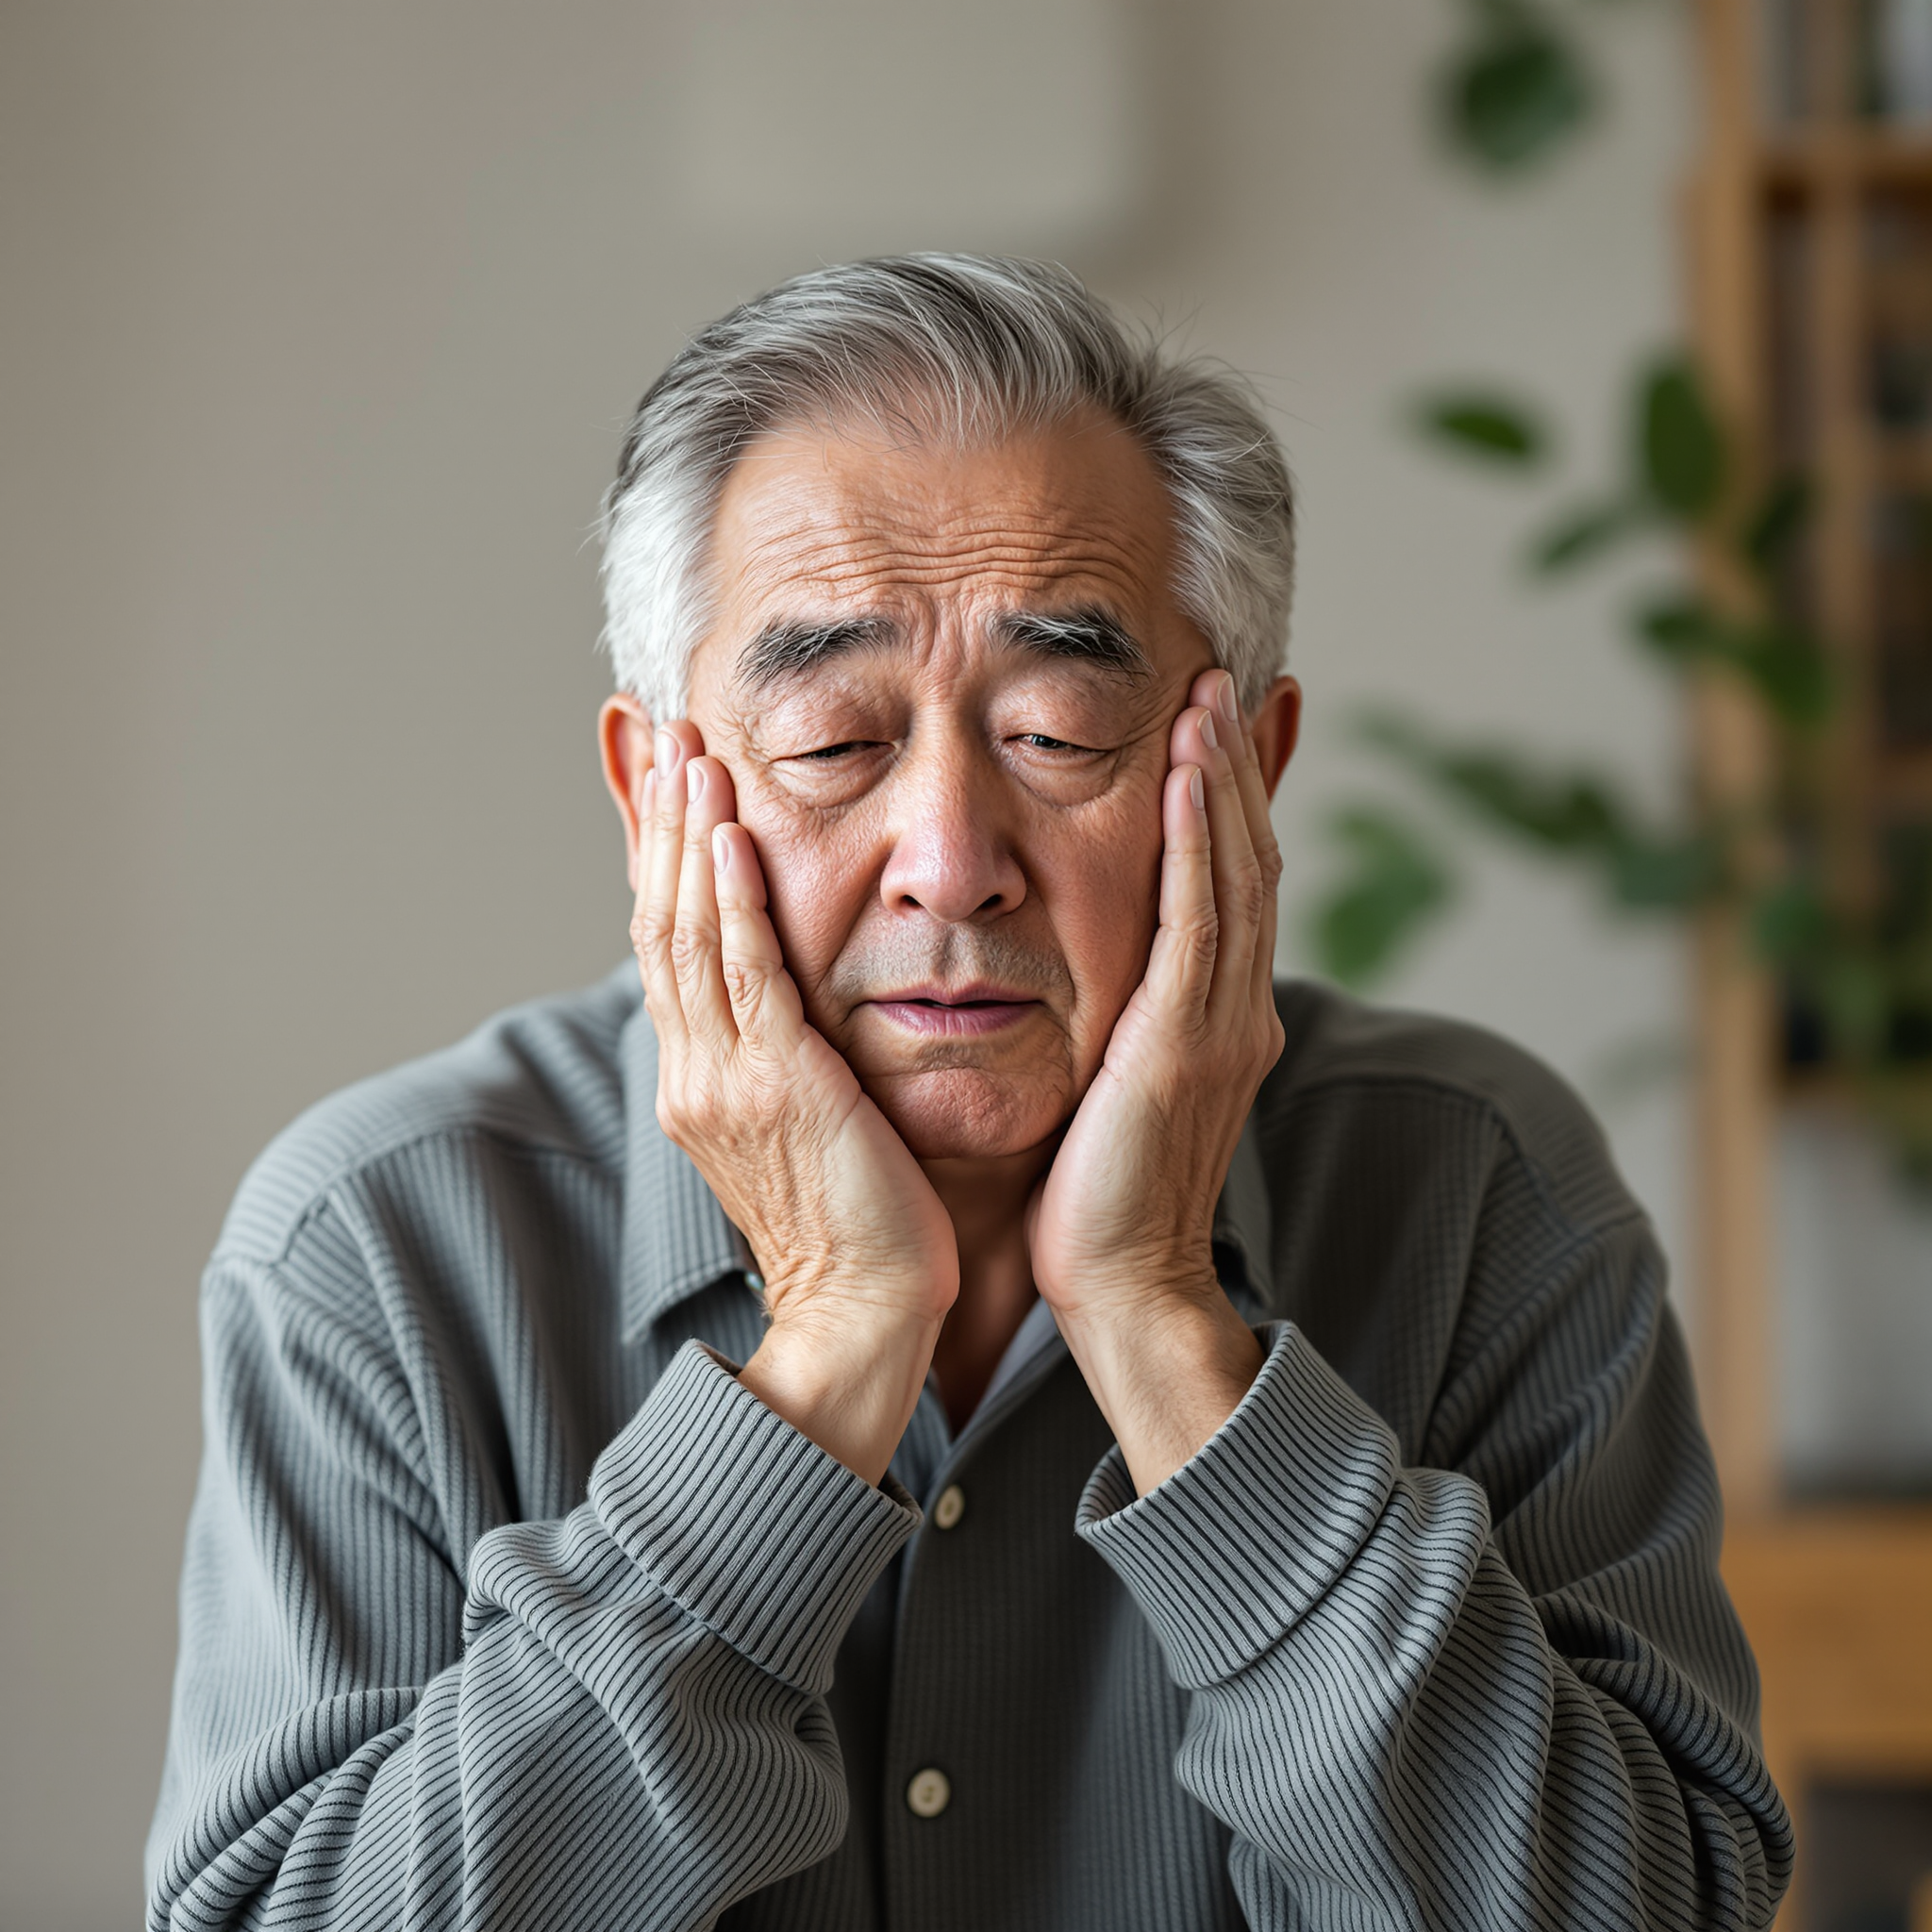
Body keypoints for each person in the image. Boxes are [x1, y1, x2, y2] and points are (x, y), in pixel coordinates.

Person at [145, 255, 1792, 1932]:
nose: (948, 864)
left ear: (1248, 774)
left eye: (1059, 732)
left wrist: (1165, 1320)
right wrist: (833, 1344)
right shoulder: (377, 1244)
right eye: (833, 741)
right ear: (656, 792)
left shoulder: (1481, 1195)